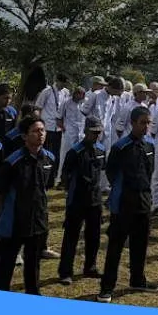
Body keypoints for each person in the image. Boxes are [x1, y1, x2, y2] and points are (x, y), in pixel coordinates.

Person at [98, 106, 158, 301]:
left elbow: (150, 171)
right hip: (124, 203)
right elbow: (111, 172)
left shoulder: (150, 145)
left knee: (140, 244)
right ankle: (107, 287)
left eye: (149, 123)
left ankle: (137, 279)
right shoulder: (120, 147)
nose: (146, 127)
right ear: (133, 123)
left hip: (143, 201)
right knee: (116, 246)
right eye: (143, 123)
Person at [0, 116, 55, 295]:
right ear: (24, 136)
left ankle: (33, 292)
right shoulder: (13, 162)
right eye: (35, 131)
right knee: (6, 262)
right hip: (14, 221)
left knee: (33, 263)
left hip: (37, 220)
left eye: (42, 130)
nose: (40, 134)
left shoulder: (49, 159)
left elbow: (45, 187)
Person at [58, 117, 107, 285]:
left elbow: (102, 170)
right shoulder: (75, 151)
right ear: (85, 131)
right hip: (77, 199)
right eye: (93, 132)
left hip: (95, 199)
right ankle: (65, 271)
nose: (96, 135)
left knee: (93, 235)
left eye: (98, 132)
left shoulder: (101, 149)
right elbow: (65, 175)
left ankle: (90, 267)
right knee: (71, 236)